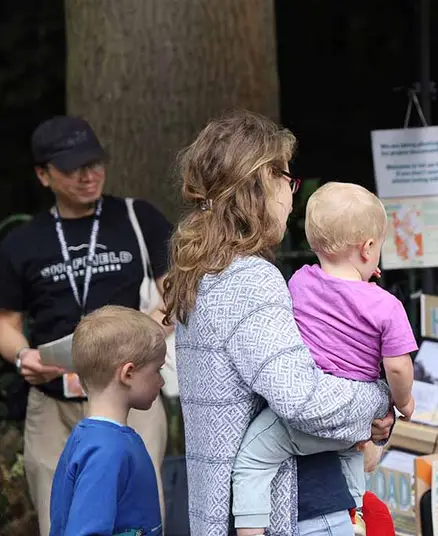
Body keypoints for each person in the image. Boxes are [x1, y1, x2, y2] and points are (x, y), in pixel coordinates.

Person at [163, 109, 395, 536]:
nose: (292, 196)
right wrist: (379, 400)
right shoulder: (249, 278)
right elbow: (302, 399)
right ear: (260, 183)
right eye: (288, 179)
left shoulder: (203, 270)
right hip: (295, 509)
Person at [0, 116, 171, 536]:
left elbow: (178, 296)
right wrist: (24, 355)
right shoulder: (22, 242)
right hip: (54, 402)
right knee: (58, 520)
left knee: (139, 519)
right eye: (73, 167)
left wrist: (139, 335)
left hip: (129, 395)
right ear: (43, 175)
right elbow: (6, 322)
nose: (88, 175)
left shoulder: (137, 217)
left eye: (94, 162)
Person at [231, 181, 417, 536]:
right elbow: (396, 365)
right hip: (354, 424)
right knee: (351, 459)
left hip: (304, 421)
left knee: (253, 459)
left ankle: (250, 531)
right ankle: (356, 515)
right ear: (368, 248)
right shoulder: (386, 306)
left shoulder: (299, 282)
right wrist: (403, 401)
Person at [49, 306, 165, 535]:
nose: (161, 382)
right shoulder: (106, 451)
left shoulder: (94, 438)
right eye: (157, 370)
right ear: (128, 374)